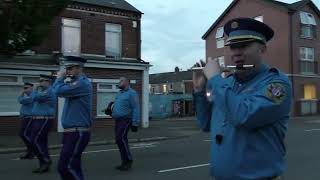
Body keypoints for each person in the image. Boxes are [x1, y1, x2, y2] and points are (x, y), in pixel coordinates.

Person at [193, 17, 292, 179]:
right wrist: (199, 90)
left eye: (244, 46)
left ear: (262, 49)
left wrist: (215, 79)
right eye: (233, 47)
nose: (237, 53)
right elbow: (205, 124)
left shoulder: (276, 84)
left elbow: (243, 116)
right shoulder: (228, 84)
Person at [53, 56, 92, 180]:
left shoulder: (82, 83)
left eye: (69, 68)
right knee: (74, 166)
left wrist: (59, 78)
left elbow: (57, 92)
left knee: (65, 166)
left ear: (79, 68)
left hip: (77, 132)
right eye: (66, 68)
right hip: (72, 132)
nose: (67, 71)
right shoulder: (74, 84)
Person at [111, 77, 140, 171]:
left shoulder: (132, 93)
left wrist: (135, 123)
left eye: (121, 81)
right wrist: (110, 110)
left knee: (121, 139)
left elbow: (136, 108)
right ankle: (124, 161)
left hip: (125, 120)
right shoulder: (120, 93)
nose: (119, 82)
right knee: (119, 140)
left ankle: (128, 160)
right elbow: (117, 105)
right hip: (117, 120)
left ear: (127, 82)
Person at [30, 75, 56, 173]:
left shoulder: (50, 91)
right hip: (38, 119)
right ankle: (44, 164)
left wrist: (35, 89)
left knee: (34, 140)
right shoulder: (44, 91)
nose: (39, 83)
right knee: (41, 142)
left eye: (41, 81)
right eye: (39, 81)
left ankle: (46, 160)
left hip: (44, 119)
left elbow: (34, 98)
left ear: (48, 81)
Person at [17, 82, 35, 159]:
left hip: (29, 118)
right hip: (25, 118)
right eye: (24, 88)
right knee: (27, 135)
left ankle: (33, 149)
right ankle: (30, 152)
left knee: (23, 134)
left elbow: (20, 100)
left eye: (26, 88)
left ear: (31, 88)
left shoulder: (32, 96)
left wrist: (21, 93)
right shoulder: (28, 96)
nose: (24, 90)